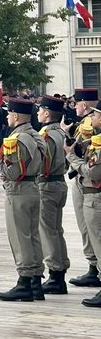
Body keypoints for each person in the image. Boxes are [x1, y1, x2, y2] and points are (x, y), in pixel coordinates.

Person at [0, 97, 49, 302]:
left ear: (15, 115)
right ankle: (35, 282)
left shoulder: (17, 139)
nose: (7, 116)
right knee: (33, 236)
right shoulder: (35, 135)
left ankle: (24, 282)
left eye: (9, 113)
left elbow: (12, 172)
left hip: (18, 191)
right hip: (34, 187)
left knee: (20, 237)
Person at [35, 95, 71, 294]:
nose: (38, 113)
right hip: (59, 182)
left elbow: (43, 163)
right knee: (56, 230)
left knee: (47, 232)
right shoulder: (60, 133)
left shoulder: (46, 135)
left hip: (47, 185)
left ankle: (56, 275)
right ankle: (60, 269)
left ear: (47, 113)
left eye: (40, 110)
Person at [70, 88, 101, 288]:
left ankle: (95, 268)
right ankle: (93, 267)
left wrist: (71, 155)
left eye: (77, 103)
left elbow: (82, 150)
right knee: (86, 228)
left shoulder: (89, 124)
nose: (74, 107)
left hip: (90, 179)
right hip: (84, 177)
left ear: (85, 104)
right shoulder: (86, 122)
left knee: (93, 230)